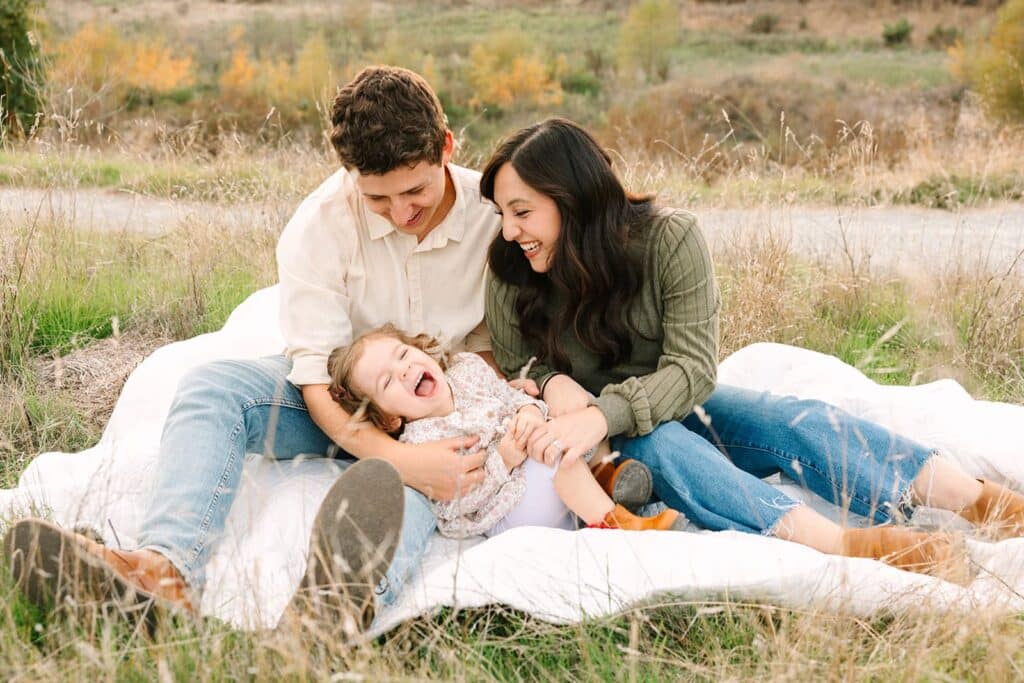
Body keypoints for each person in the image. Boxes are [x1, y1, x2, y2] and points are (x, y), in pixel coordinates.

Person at [6, 66, 505, 632]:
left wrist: (429, 448)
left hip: (452, 409)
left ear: (446, 146)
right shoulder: (319, 225)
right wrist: (393, 453)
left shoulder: (494, 217)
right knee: (211, 388)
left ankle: (327, 616)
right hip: (342, 401)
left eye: (415, 190)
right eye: (378, 198)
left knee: (399, 493)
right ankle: (163, 572)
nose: (401, 212)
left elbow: (500, 354)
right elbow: (315, 382)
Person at [481, 117, 1024, 581]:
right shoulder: (511, 270)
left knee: (787, 418)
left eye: (522, 212)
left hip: (663, 403)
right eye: (504, 214)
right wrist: (554, 385)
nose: (509, 231)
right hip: (609, 445)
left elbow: (693, 370)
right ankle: (837, 543)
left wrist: (604, 412)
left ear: (571, 199)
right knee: (665, 445)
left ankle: (976, 499)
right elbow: (515, 361)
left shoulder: (669, 239)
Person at [325, 324, 684, 537]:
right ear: (388, 419)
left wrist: (528, 410)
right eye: (387, 381)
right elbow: (454, 510)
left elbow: (511, 397)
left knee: (579, 405)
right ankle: (619, 529)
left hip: (536, 463)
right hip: (511, 510)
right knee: (557, 460)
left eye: (402, 355)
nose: (403, 371)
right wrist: (504, 459)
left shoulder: (466, 368)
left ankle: (603, 477)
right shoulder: (422, 442)